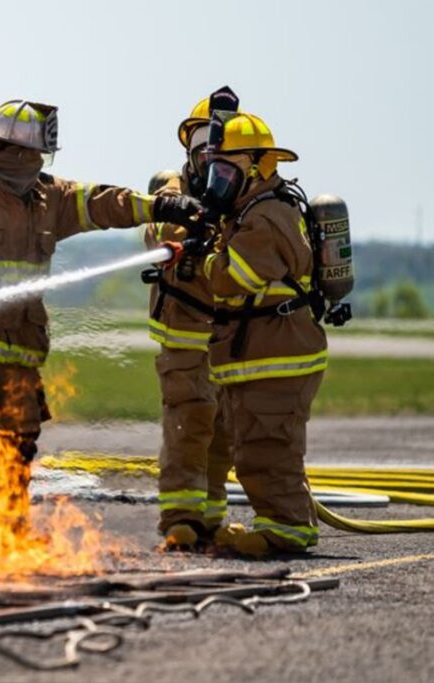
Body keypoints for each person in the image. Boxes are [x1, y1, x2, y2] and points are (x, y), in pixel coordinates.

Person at [0, 99, 202, 499]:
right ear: (1, 149)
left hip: (21, 354)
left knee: (17, 453)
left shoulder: (49, 198)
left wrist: (161, 206)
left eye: (41, 157)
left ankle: (7, 544)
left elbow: (103, 203)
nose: (36, 165)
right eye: (30, 155)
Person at [166, 111, 327, 556]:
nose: (215, 180)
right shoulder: (249, 209)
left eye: (225, 169)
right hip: (256, 354)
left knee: (268, 447)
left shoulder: (269, 216)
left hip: (278, 355)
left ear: (258, 166)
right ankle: (279, 521)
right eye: (213, 168)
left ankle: (287, 529)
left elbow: (234, 277)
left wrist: (201, 259)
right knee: (251, 445)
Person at [144, 90, 240, 550]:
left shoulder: (245, 193)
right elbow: (158, 234)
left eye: (220, 142)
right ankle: (180, 517)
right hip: (185, 333)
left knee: (224, 427)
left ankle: (212, 515)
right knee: (189, 422)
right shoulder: (174, 192)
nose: (212, 152)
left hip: (231, 336)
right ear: (189, 146)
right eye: (204, 141)